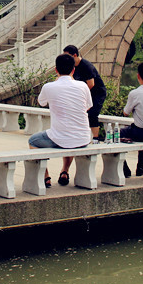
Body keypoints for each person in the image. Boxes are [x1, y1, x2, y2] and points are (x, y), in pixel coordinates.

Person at [27, 53, 93, 188]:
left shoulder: (49, 87)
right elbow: (88, 106)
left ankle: (45, 176)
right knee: (69, 138)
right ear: (73, 70)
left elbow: (41, 102)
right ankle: (65, 171)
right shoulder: (83, 86)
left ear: (56, 70)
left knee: (33, 141)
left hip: (60, 137)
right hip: (83, 138)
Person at [63, 45, 107, 141]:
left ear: (75, 55)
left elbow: (91, 84)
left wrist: (79, 94)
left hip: (97, 93)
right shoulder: (72, 66)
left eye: (68, 56)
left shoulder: (86, 66)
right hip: (84, 92)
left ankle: (96, 138)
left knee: (92, 114)